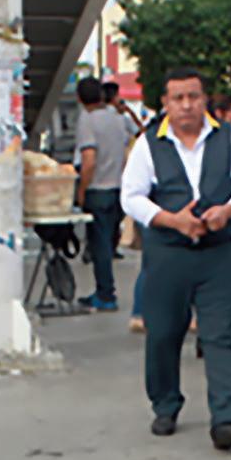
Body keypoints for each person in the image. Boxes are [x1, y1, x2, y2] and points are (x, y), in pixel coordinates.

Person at [120, 66, 231, 451]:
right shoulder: (149, 144)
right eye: (178, 98)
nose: (186, 105)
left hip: (217, 254)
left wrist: (229, 210)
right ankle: (165, 405)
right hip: (168, 255)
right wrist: (172, 220)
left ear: (204, 99)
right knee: (163, 334)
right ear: (165, 103)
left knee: (218, 336)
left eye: (193, 97)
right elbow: (131, 196)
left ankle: (225, 419)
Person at [73, 76, 128, 312]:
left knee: (100, 246)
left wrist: (81, 191)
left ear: (79, 98)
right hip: (118, 187)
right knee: (109, 242)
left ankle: (105, 294)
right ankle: (105, 292)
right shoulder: (118, 119)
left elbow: (89, 160)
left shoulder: (87, 120)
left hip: (97, 190)